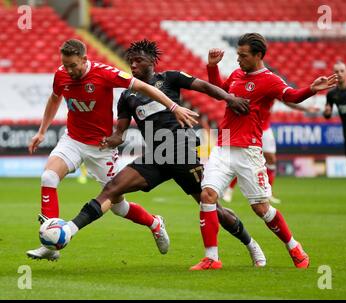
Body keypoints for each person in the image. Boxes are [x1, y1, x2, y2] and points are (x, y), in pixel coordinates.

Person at [65, 39, 266, 268]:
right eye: (130, 61)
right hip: (156, 157)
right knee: (112, 189)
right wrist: (112, 140)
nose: (133, 65)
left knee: (214, 210)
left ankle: (251, 245)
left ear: (151, 61)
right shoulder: (127, 97)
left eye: (138, 61)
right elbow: (120, 133)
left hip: (182, 153)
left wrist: (229, 98)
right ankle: (69, 230)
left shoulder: (170, 78)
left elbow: (205, 87)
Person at [26, 39, 198, 261]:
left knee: (118, 206)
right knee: (48, 177)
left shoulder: (104, 74)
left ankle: (154, 222)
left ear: (85, 59)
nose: (69, 71)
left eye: (73, 66)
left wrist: (173, 107)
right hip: (73, 140)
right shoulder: (61, 75)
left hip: (101, 148)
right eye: (65, 65)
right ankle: (51, 243)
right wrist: (42, 131)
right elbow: (54, 98)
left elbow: (143, 86)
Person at [191, 33, 337, 270]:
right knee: (207, 196)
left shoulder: (270, 80)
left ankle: (293, 246)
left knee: (261, 208)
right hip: (224, 143)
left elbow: (291, 95)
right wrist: (211, 67)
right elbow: (220, 91)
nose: (239, 60)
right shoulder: (238, 74)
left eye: (243, 55)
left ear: (258, 55)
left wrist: (311, 89)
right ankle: (212, 258)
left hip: (248, 149)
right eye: (238, 54)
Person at [222, 102, 320, 204]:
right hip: (249, 129)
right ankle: (229, 189)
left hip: (265, 129)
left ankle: (268, 193)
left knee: (272, 160)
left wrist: (305, 108)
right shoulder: (250, 89)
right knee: (244, 160)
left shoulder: (271, 88)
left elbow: (288, 100)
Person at [324, 61, 346, 172]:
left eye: (342, 71)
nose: (339, 73)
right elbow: (327, 115)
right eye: (336, 71)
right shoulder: (332, 94)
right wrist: (327, 112)